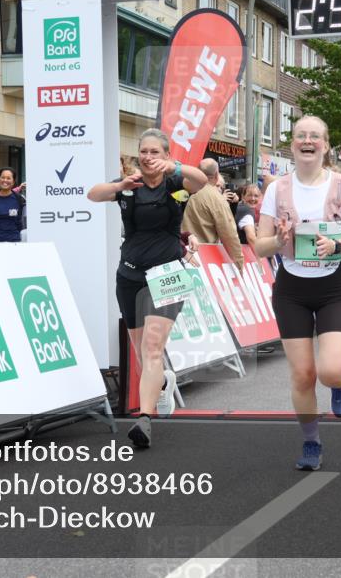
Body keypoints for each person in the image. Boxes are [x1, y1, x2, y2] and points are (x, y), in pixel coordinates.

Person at [254, 115, 341, 471]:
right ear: (292, 145)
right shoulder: (277, 189)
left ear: (325, 145)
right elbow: (260, 247)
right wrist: (279, 240)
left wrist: (336, 245)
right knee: (303, 375)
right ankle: (311, 442)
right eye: (301, 136)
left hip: (334, 286)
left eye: (315, 136)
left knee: (331, 371)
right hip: (291, 289)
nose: (307, 141)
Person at [88, 129, 208, 448]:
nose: (148, 157)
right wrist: (119, 186)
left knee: (153, 349)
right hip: (129, 276)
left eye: (155, 152)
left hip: (167, 275)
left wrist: (176, 169)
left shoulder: (175, 186)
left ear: (166, 156)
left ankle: (144, 419)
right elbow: (93, 194)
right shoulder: (131, 187)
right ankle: (164, 381)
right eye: (144, 151)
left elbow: (201, 181)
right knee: (143, 353)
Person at [181, 158, 244, 271]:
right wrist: (239, 266)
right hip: (202, 259)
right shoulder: (216, 199)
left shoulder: (182, 188)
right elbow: (229, 236)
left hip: (178, 252)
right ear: (216, 175)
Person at [235, 184, 263, 249]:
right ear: (243, 196)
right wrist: (261, 257)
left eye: (256, 196)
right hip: (242, 253)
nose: (253, 199)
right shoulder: (246, 210)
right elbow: (251, 238)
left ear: (259, 198)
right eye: (249, 195)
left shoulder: (239, 207)